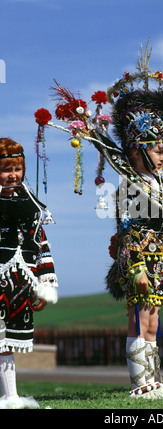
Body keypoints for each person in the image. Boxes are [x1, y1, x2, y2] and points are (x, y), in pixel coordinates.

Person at [105, 88, 163, 399]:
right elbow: (127, 232)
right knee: (139, 318)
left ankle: (152, 380)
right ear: (138, 151)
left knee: (153, 319)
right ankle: (139, 384)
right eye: (157, 150)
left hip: (162, 261)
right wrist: (137, 269)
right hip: (140, 260)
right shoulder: (130, 185)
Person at [0, 138, 58, 408]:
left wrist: (45, 284)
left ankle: (11, 397)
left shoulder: (32, 206)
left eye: (17, 169)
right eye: (5, 169)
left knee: (6, 342)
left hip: (20, 282)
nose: (13, 175)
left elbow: (41, 246)